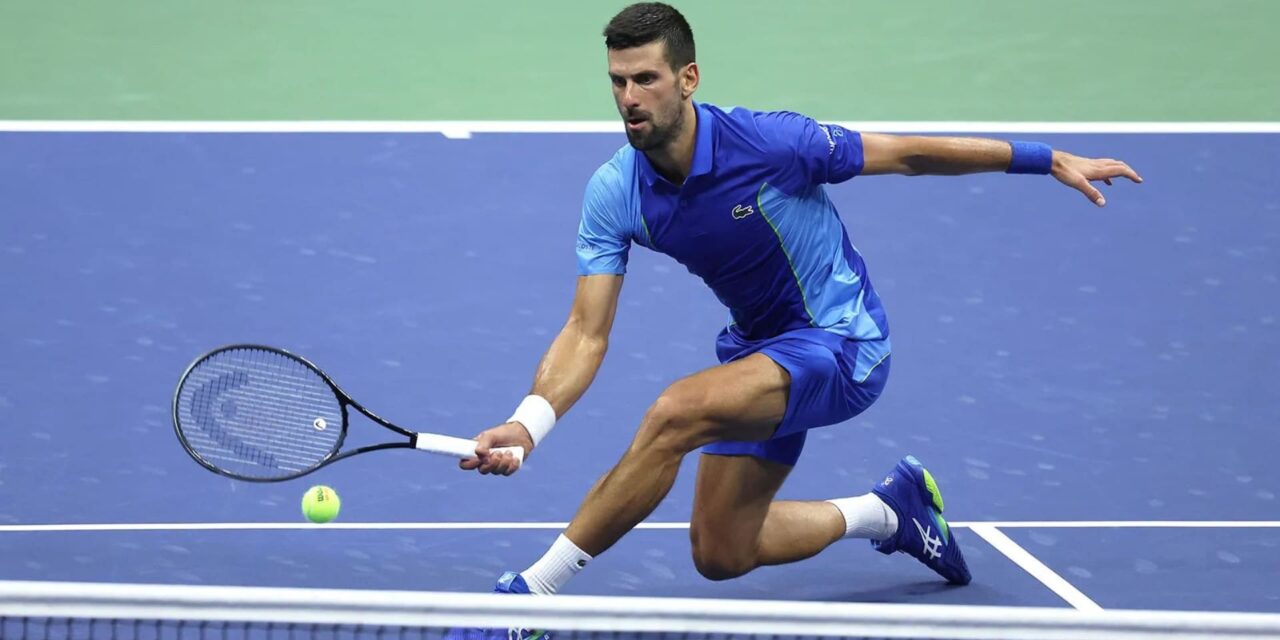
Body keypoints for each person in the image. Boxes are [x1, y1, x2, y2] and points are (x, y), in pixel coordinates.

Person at [451, 1, 1141, 631]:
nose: (629, 99)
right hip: (759, 353)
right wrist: (529, 422)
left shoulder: (772, 145)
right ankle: (890, 512)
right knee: (722, 552)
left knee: (673, 414)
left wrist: (1045, 158)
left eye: (646, 80)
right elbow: (585, 331)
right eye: (618, 82)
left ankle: (528, 601)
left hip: (843, 347)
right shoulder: (616, 192)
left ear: (688, 78)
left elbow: (908, 155)